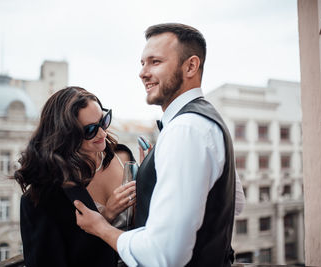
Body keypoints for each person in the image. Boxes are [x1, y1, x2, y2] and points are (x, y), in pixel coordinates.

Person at [74, 23, 241, 266]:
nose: (143, 73)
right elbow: (234, 203)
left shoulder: (185, 130)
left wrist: (102, 227)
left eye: (155, 62)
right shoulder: (206, 118)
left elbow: (164, 255)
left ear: (191, 66)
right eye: (142, 63)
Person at [14, 87, 136, 267]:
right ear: (65, 134)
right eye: (90, 130)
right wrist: (107, 216)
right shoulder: (41, 197)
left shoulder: (122, 157)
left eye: (103, 121)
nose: (102, 133)